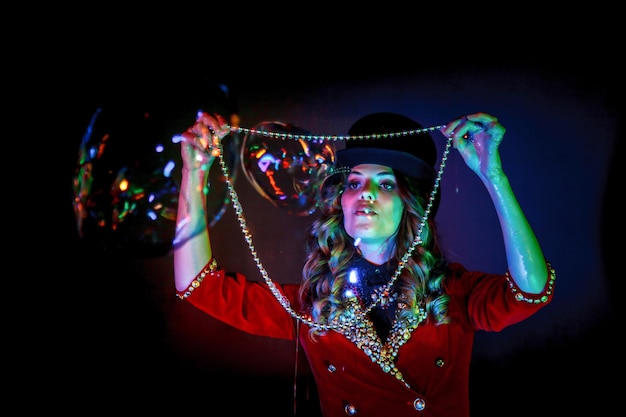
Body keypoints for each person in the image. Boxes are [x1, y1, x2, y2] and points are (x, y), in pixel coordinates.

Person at [173, 111, 555, 417]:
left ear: (411, 204)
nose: (365, 193)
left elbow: (531, 291)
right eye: (354, 183)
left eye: (386, 184)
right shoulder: (313, 306)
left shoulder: (451, 292)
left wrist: (493, 175)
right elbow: (199, 287)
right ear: (340, 202)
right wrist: (194, 173)